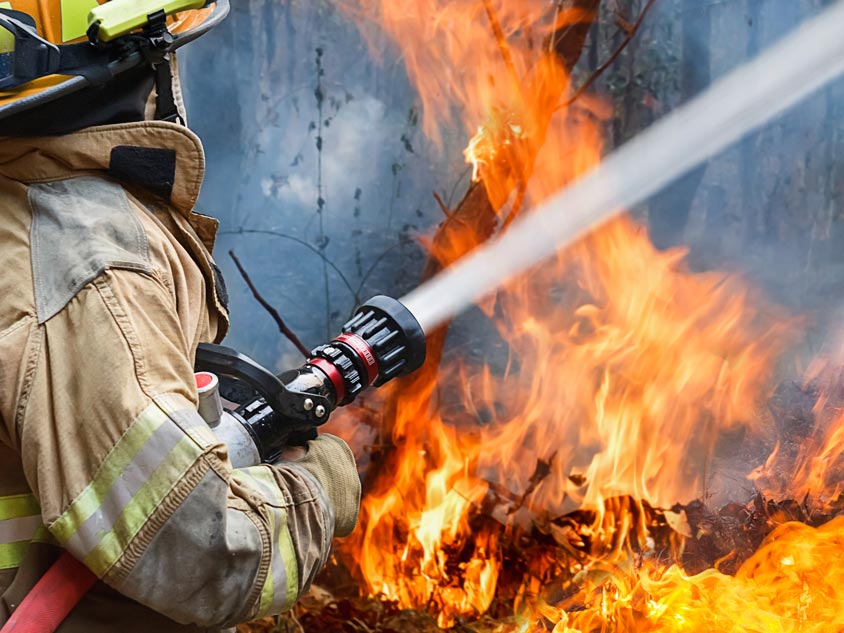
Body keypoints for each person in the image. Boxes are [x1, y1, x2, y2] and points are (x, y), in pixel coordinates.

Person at [0, 0, 362, 630]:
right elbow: (202, 549)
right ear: (127, 59)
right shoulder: (92, 263)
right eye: (165, 48)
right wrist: (322, 488)